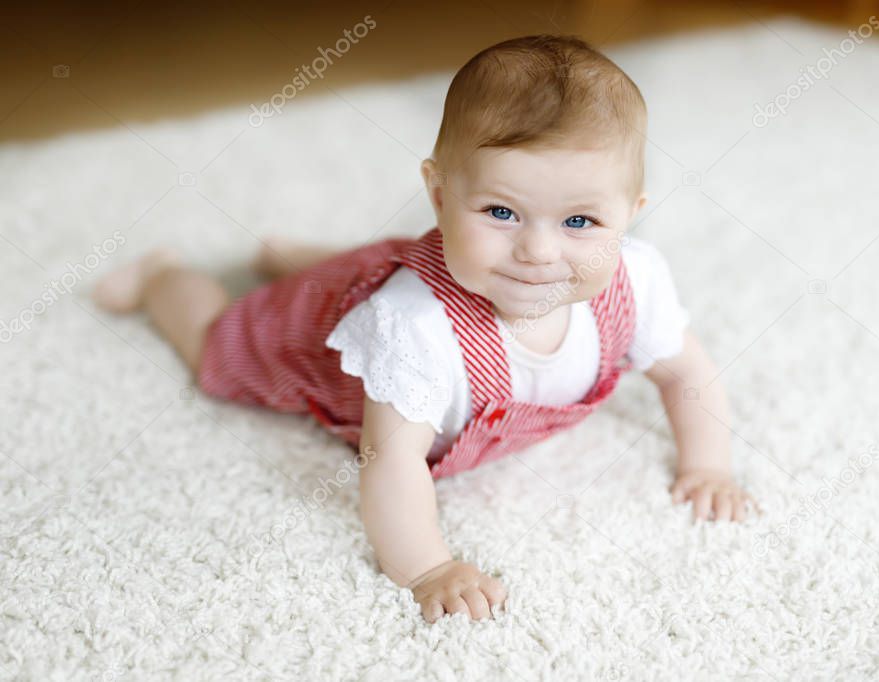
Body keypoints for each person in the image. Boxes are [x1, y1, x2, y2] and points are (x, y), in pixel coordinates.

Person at [93, 34, 759, 624]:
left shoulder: (634, 280)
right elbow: (390, 457)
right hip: (319, 334)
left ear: (630, 213)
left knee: (393, 258)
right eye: (501, 210)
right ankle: (162, 279)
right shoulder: (413, 325)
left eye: (579, 222)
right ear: (439, 195)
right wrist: (426, 567)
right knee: (219, 351)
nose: (537, 252)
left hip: (405, 263)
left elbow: (687, 373)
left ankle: (298, 254)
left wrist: (708, 464)